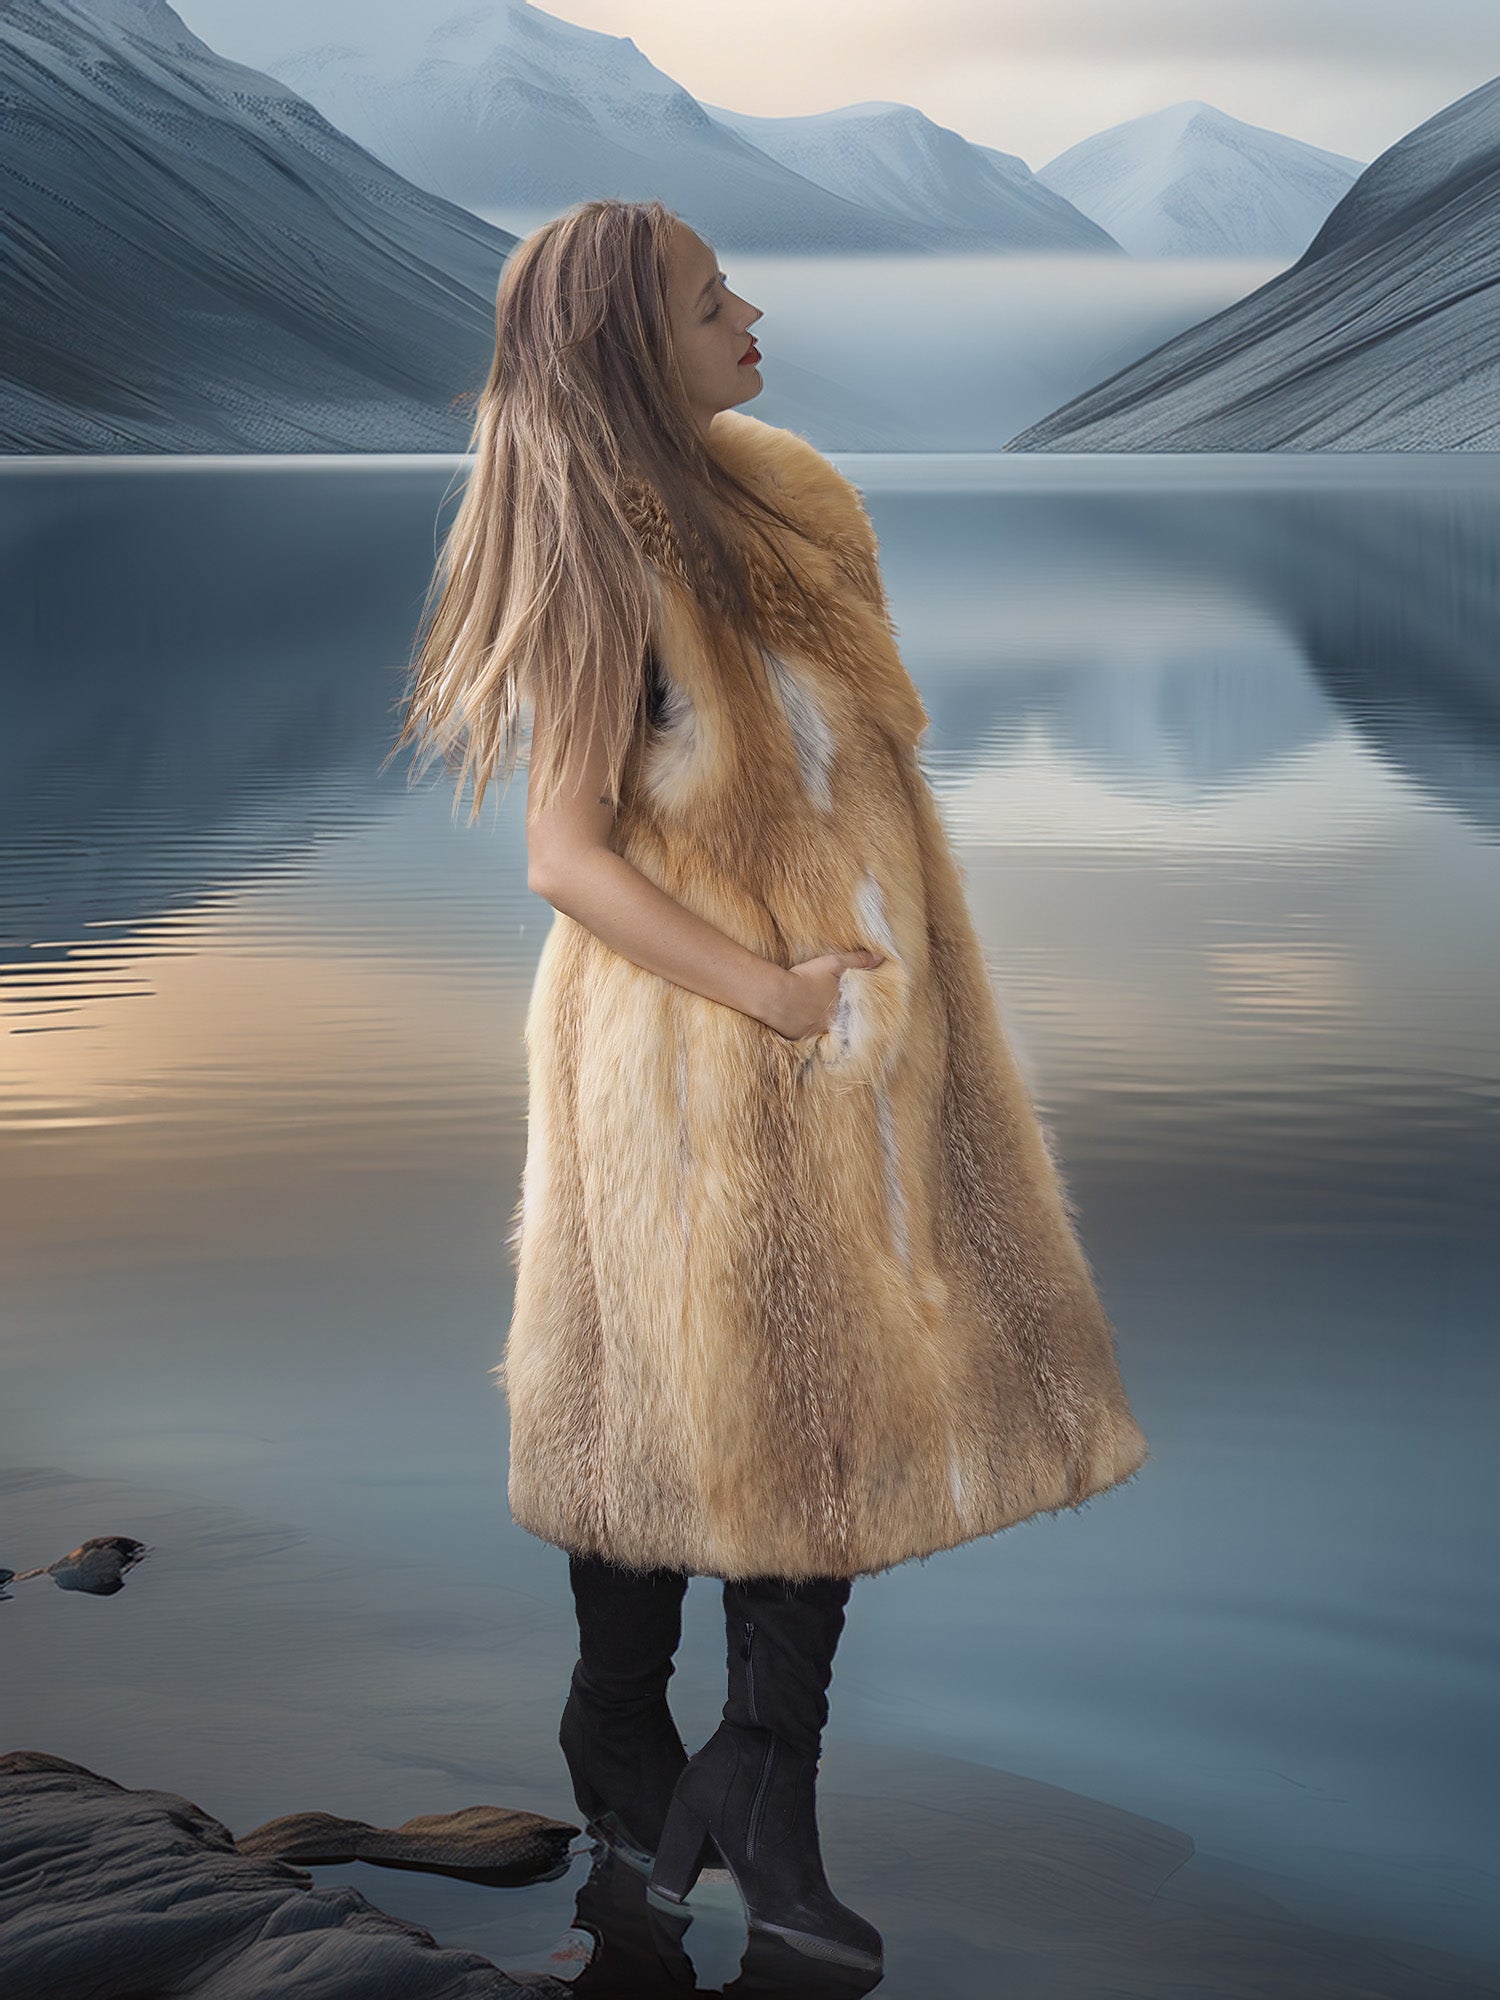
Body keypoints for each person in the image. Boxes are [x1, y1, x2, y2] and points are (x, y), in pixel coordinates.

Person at [393, 197, 1150, 1980]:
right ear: (620, 354)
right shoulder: (606, 547)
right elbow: (566, 856)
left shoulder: (786, 503)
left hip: (830, 1047)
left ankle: (735, 1772)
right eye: (709, 301)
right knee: (686, 1406)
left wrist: (846, 1011)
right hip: (685, 1050)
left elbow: (843, 794)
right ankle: (653, 1739)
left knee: (803, 1400)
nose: (753, 317)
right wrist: (773, 997)